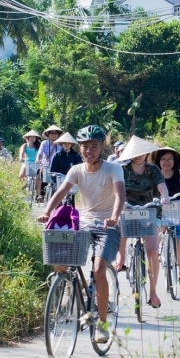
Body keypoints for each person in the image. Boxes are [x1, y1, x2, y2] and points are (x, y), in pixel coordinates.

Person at [38, 125, 125, 344]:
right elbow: (60, 192)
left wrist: (114, 216)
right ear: (80, 148)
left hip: (108, 226)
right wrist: (47, 212)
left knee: (98, 269)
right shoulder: (76, 170)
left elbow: (119, 196)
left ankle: (102, 325)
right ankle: (67, 283)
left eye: (93, 146)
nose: (88, 151)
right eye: (85, 146)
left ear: (101, 148)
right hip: (84, 224)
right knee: (59, 260)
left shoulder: (113, 169)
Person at [115, 135, 170, 309]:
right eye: (135, 153)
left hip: (149, 210)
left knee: (152, 251)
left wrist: (165, 197)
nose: (138, 156)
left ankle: (153, 291)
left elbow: (162, 186)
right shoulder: (121, 169)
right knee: (121, 224)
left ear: (146, 154)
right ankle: (121, 257)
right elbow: (114, 188)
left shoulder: (153, 170)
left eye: (141, 153)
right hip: (128, 208)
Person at [152, 147, 180, 284]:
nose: (166, 162)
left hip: (177, 212)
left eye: (170, 159)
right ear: (158, 161)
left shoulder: (178, 175)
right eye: (163, 159)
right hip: (160, 211)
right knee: (156, 236)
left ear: (175, 161)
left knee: (179, 242)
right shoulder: (155, 175)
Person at [35, 125, 64, 200]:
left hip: (57, 166)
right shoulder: (44, 143)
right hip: (46, 164)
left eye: (55, 133)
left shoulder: (61, 144)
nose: (54, 135)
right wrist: (38, 159)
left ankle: (58, 196)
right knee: (43, 175)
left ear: (58, 135)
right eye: (52, 133)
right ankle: (41, 195)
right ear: (48, 134)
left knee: (59, 179)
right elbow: (40, 153)